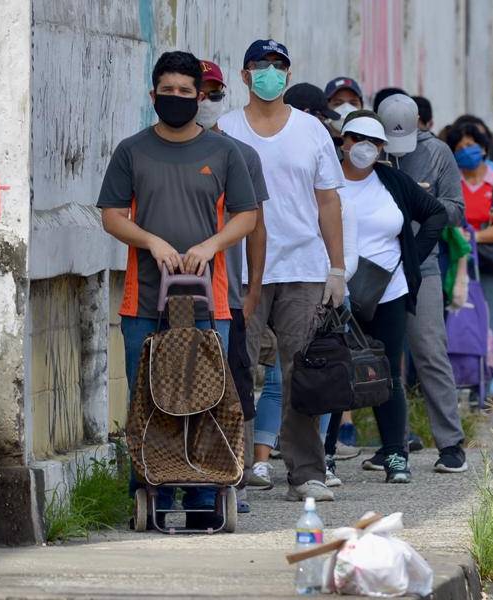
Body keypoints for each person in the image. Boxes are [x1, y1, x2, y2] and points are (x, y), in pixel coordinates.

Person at [97, 51, 258, 529]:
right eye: (166, 91)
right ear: (153, 96)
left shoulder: (224, 153)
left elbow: (246, 216)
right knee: (147, 397)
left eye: (185, 92)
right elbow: (110, 215)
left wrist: (210, 245)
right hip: (144, 301)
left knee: (210, 397)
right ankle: (147, 488)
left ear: (200, 96)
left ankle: (208, 495)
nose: (176, 99)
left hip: (209, 303)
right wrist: (151, 241)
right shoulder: (132, 150)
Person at [219, 38, 346, 502]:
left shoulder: (311, 130)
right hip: (241, 271)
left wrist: (337, 268)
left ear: (288, 76)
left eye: (278, 65)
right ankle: (231, 471)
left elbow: (328, 199)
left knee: (302, 373)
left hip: (303, 265)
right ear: (245, 75)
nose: (270, 72)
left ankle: (306, 472)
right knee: (237, 370)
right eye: (261, 65)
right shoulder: (226, 129)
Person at [326, 110, 446, 483]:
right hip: (337, 290)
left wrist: (409, 257)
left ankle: (395, 454)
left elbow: (436, 215)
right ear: (343, 141)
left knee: (387, 371)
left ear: (383, 148)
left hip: (389, 291)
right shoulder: (326, 181)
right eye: (357, 139)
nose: (364, 148)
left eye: (374, 142)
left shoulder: (392, 180)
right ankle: (324, 455)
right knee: (333, 372)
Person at [373, 89, 469, 473]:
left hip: (422, 266)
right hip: (373, 269)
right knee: (380, 358)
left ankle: (450, 442)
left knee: (429, 351)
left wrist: (420, 202)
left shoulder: (437, 153)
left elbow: (457, 211)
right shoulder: (366, 151)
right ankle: (394, 443)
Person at [195, 59, 271, 509]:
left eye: (213, 93)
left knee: (232, 385)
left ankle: (229, 479)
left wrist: (254, 285)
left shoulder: (241, 156)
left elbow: (256, 224)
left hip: (226, 291)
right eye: (196, 92)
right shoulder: (152, 150)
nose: (204, 102)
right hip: (167, 291)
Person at [446, 122, 493, 399]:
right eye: (460, 147)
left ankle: (490, 384)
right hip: (455, 261)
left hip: (488, 261)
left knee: (490, 321)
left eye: (472, 146)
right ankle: (460, 379)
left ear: (484, 148)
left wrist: (469, 237)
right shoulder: (450, 177)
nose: (467, 151)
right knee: (454, 318)